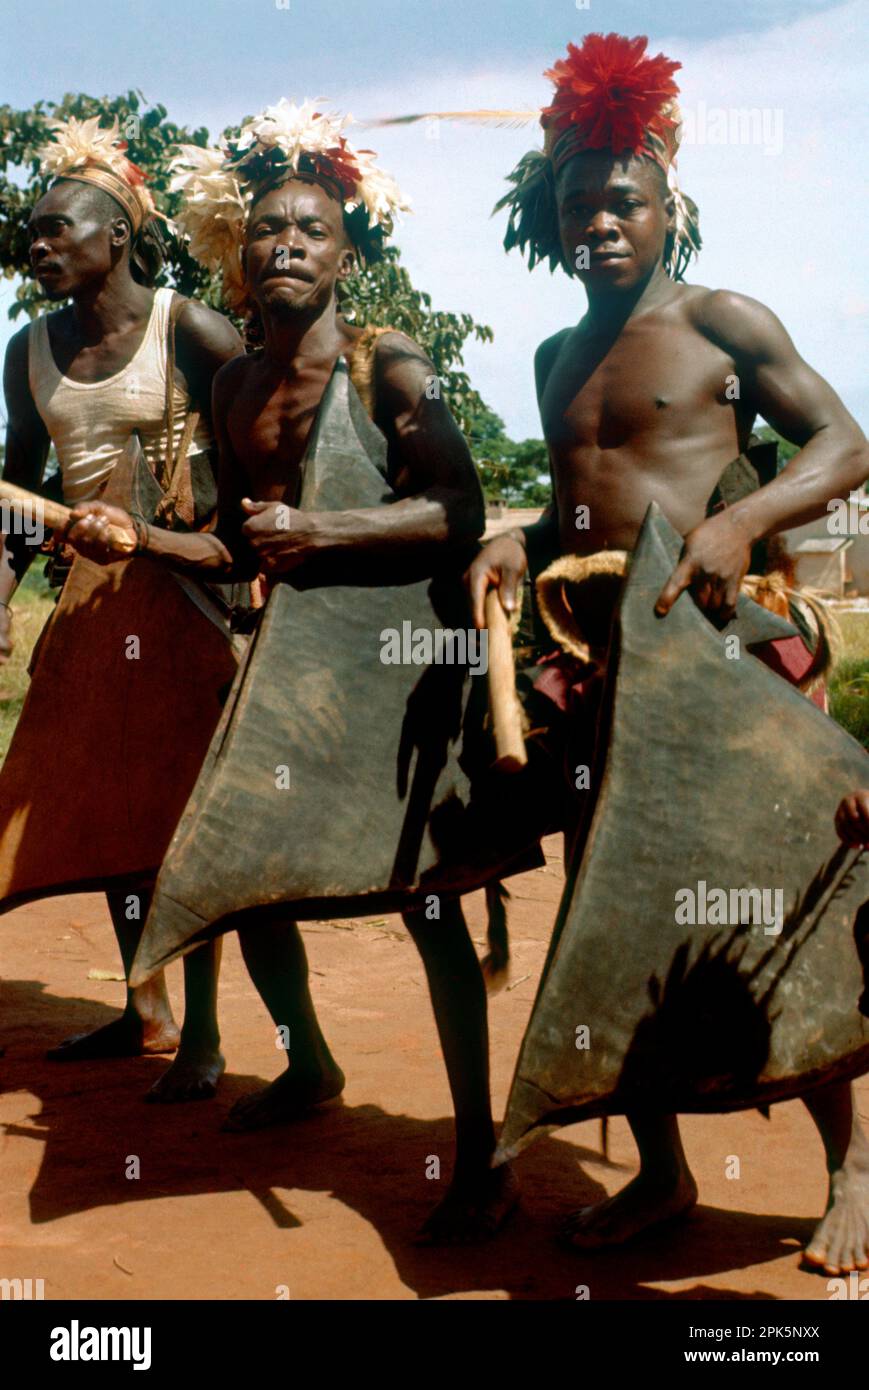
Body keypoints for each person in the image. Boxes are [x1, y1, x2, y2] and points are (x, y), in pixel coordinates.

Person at [63, 101, 518, 1242]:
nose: (286, 248)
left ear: (344, 252)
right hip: (293, 675)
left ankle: (479, 1151)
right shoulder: (230, 392)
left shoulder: (388, 366)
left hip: (405, 670)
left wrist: (327, 536)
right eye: (267, 231)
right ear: (239, 249)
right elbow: (234, 539)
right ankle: (307, 1066)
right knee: (249, 872)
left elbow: (458, 512)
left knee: (425, 908)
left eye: (311, 231)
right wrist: (141, 540)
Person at [466, 32, 869, 1273]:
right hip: (608, 679)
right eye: (575, 205)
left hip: (722, 659)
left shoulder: (718, 321)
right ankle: (660, 1169)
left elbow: (845, 445)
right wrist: (515, 542)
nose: (596, 223)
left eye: (619, 202)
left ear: (664, 206)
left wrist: (739, 520)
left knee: (767, 912)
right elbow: (583, 509)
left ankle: (851, 1167)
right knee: (616, 905)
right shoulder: (553, 358)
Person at [0, 116, 242, 1098]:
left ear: (119, 237)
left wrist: (214, 549)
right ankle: (147, 1010)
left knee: (185, 816)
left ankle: (207, 1040)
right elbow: (17, 491)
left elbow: (260, 456)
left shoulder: (189, 328)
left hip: (186, 594)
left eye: (58, 228)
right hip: (91, 609)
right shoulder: (27, 349)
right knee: (104, 805)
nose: (40, 245)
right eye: (31, 233)